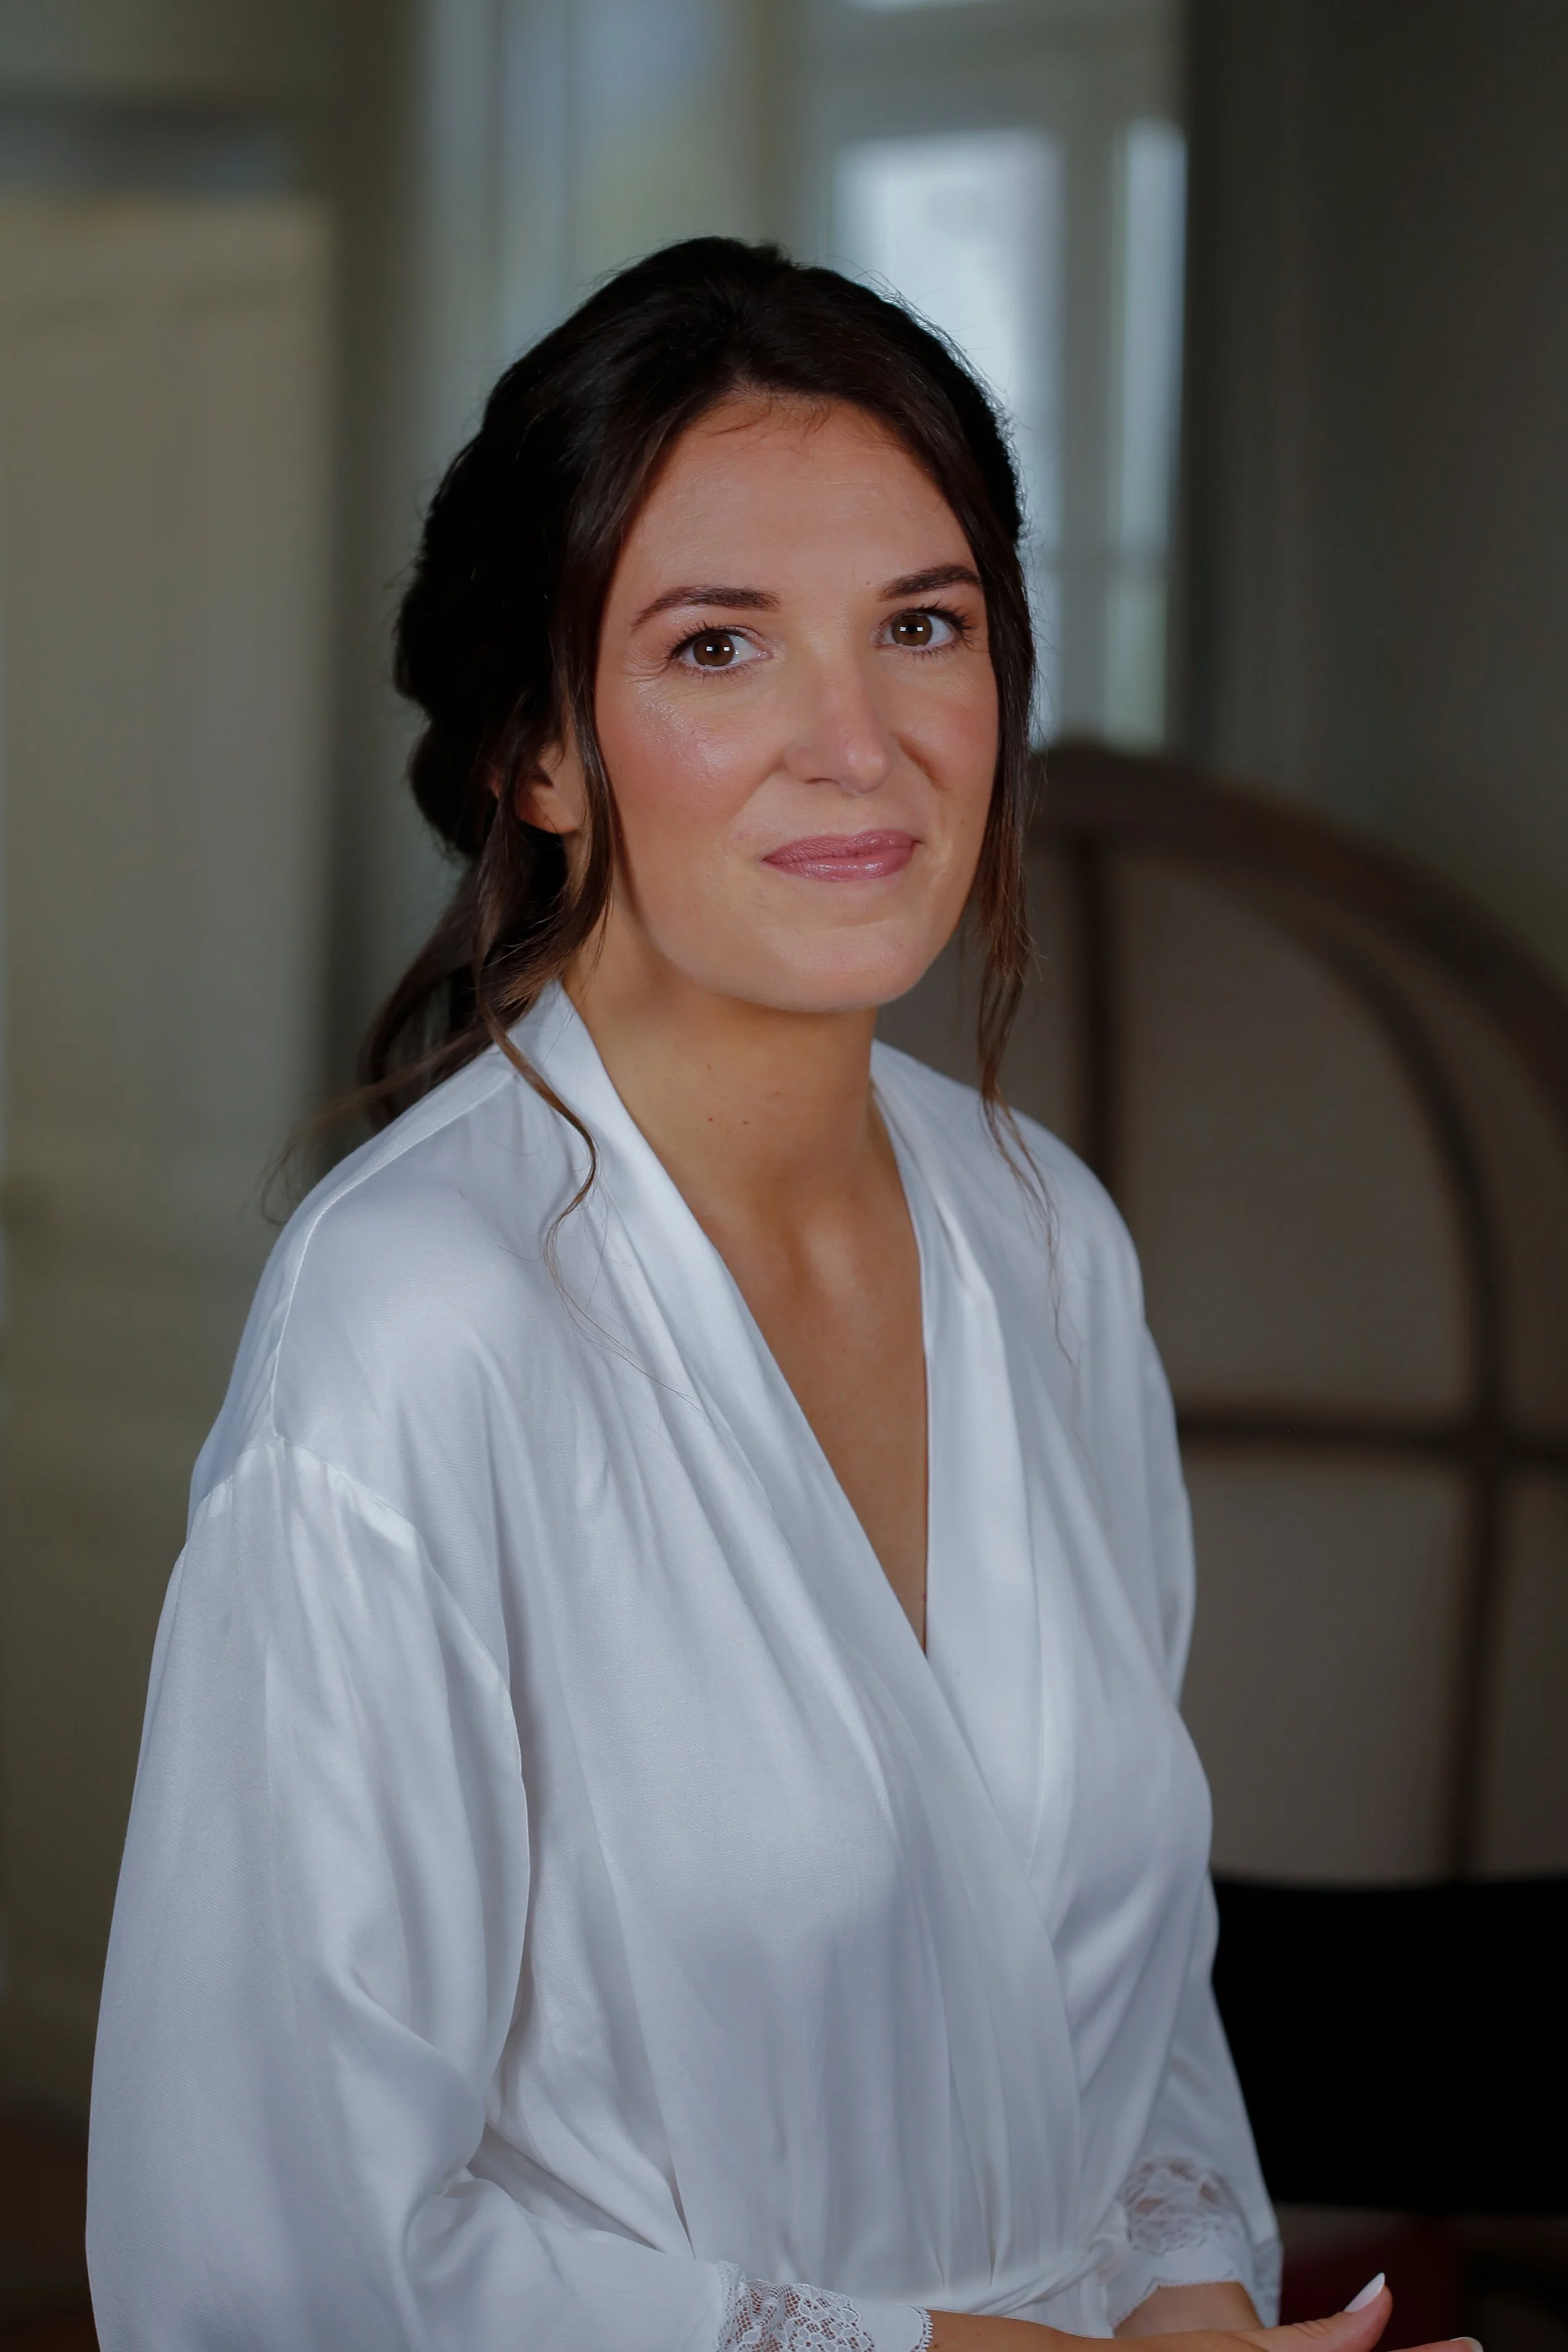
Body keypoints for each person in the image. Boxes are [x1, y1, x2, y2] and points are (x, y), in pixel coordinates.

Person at [86, 239, 1437, 2352]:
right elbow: (274, 2252)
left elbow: (1122, 2001)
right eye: (718, 646)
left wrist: (1184, 2298)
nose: (858, 744)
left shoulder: (1045, 1239)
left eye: (922, 625)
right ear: (541, 750)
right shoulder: (417, 1329)